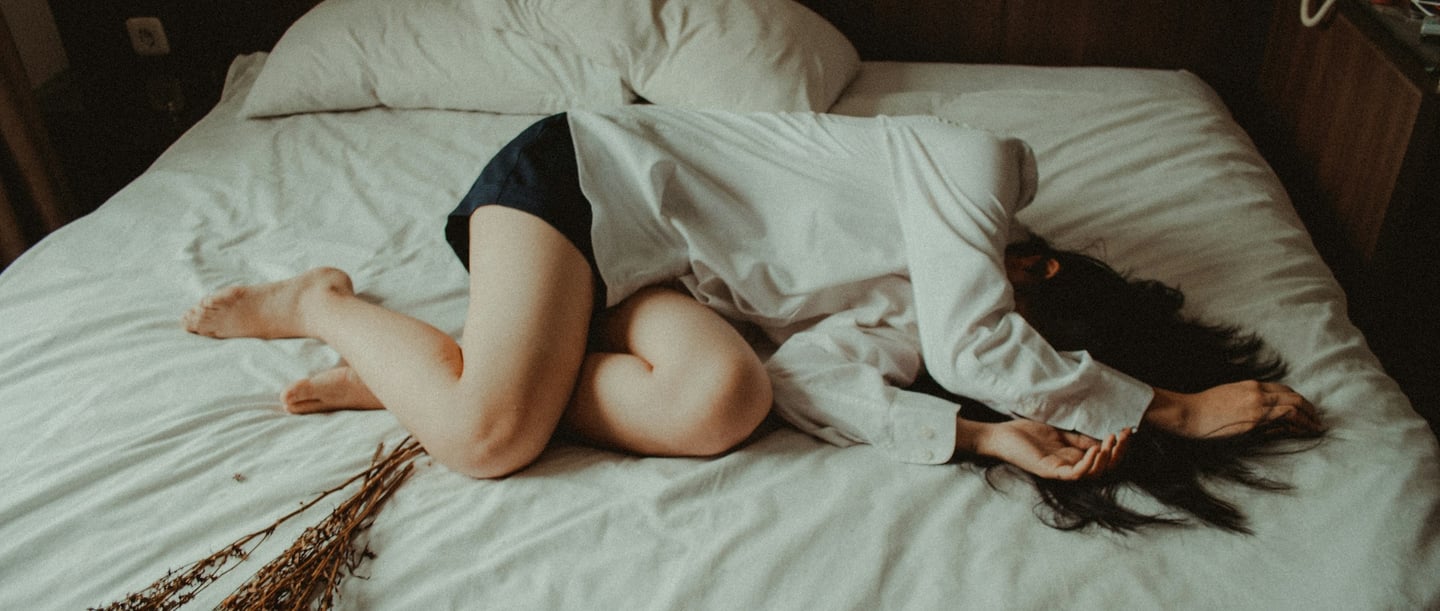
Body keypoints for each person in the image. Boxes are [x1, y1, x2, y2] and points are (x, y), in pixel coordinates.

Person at [183, 108, 1321, 489]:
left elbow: (811, 376)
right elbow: (983, 335)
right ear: (1039, 264)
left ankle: (424, 366)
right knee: (489, 438)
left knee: (725, 397)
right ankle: (324, 303)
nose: (985, 324)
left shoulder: (927, 317)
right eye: (1018, 313)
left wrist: (981, 433)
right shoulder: (973, 166)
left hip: (659, 285)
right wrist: (1164, 407)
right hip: (584, 187)